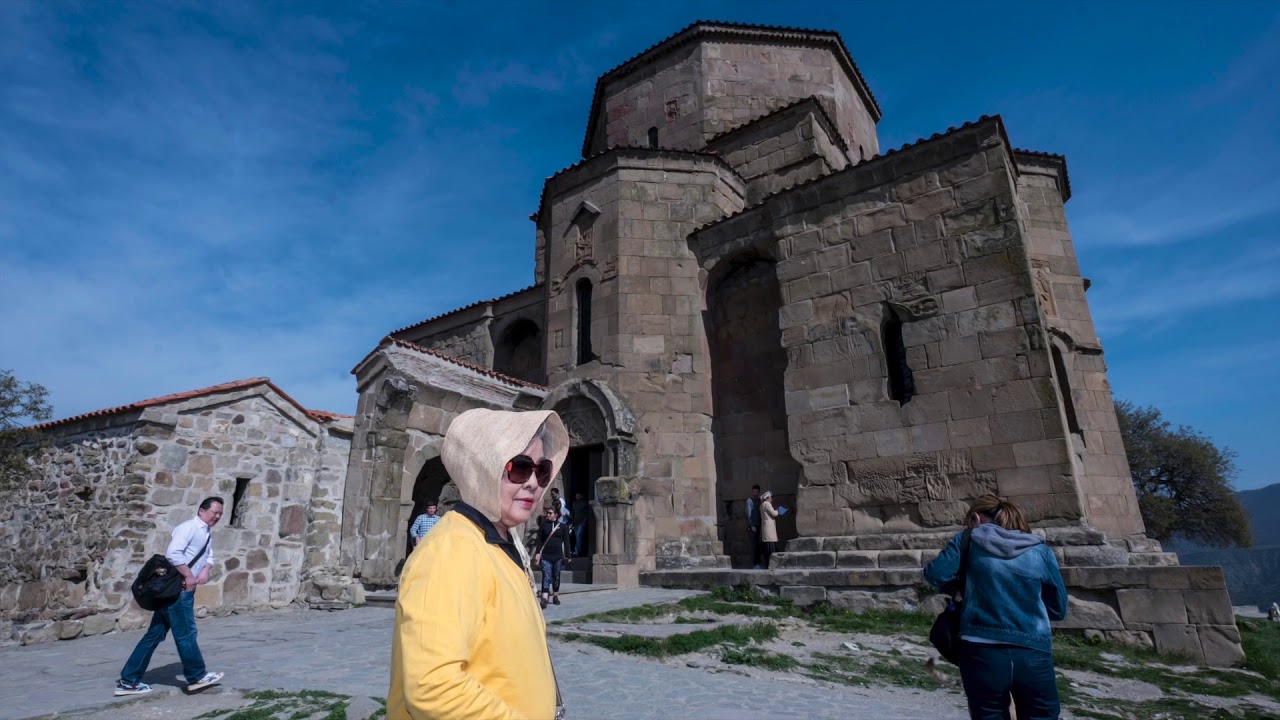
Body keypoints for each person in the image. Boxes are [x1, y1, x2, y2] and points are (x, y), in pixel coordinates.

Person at [388, 408, 568, 720]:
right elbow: (433, 687)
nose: (533, 484)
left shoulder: (497, 543)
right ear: (484, 468)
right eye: (520, 468)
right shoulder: (450, 550)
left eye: (541, 471)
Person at [923, 495, 1068, 720]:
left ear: (975, 518)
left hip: (981, 649)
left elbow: (934, 573)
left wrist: (961, 589)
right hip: (1032, 649)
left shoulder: (969, 539)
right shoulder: (1040, 550)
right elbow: (1058, 609)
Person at [115, 497, 226, 696]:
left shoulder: (205, 532)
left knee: (153, 636)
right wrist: (189, 575)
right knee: (186, 634)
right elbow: (173, 554)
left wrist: (206, 569)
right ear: (202, 511)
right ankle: (196, 676)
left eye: (220, 514)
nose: (217, 516)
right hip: (179, 591)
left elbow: (209, 555)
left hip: (177, 591)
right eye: (214, 512)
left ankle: (128, 681)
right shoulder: (189, 528)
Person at [535, 505, 569, 608]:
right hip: (546, 556)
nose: (548, 515)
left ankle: (555, 596)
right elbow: (539, 540)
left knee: (556, 576)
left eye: (550, 513)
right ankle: (544, 598)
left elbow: (567, 541)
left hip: (558, 556)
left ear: (556, 515)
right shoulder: (544, 526)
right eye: (547, 513)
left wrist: (569, 555)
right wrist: (537, 553)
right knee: (546, 575)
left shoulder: (563, 526)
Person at [759, 490, 787, 568]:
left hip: (766, 527)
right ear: (768, 498)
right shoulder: (767, 504)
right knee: (771, 547)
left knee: (768, 546)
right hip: (769, 528)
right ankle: (772, 564)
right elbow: (774, 514)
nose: (772, 499)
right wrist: (779, 510)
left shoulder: (762, 505)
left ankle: (768, 564)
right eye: (771, 497)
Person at [746, 485, 763, 569]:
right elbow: (749, 514)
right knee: (754, 546)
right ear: (752, 491)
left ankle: (758, 563)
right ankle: (755, 564)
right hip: (753, 527)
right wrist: (751, 525)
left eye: (757, 492)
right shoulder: (749, 500)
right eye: (754, 491)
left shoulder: (759, 500)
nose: (755, 493)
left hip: (759, 525)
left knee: (758, 545)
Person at [570, 491, 590, 558]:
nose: (577, 497)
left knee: (579, 536)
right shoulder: (574, 504)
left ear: (581, 496)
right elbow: (572, 513)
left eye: (578, 496)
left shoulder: (585, 503)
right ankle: (579, 551)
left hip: (581, 523)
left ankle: (577, 551)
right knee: (577, 537)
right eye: (576, 496)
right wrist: (571, 522)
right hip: (575, 523)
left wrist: (584, 521)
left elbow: (587, 513)